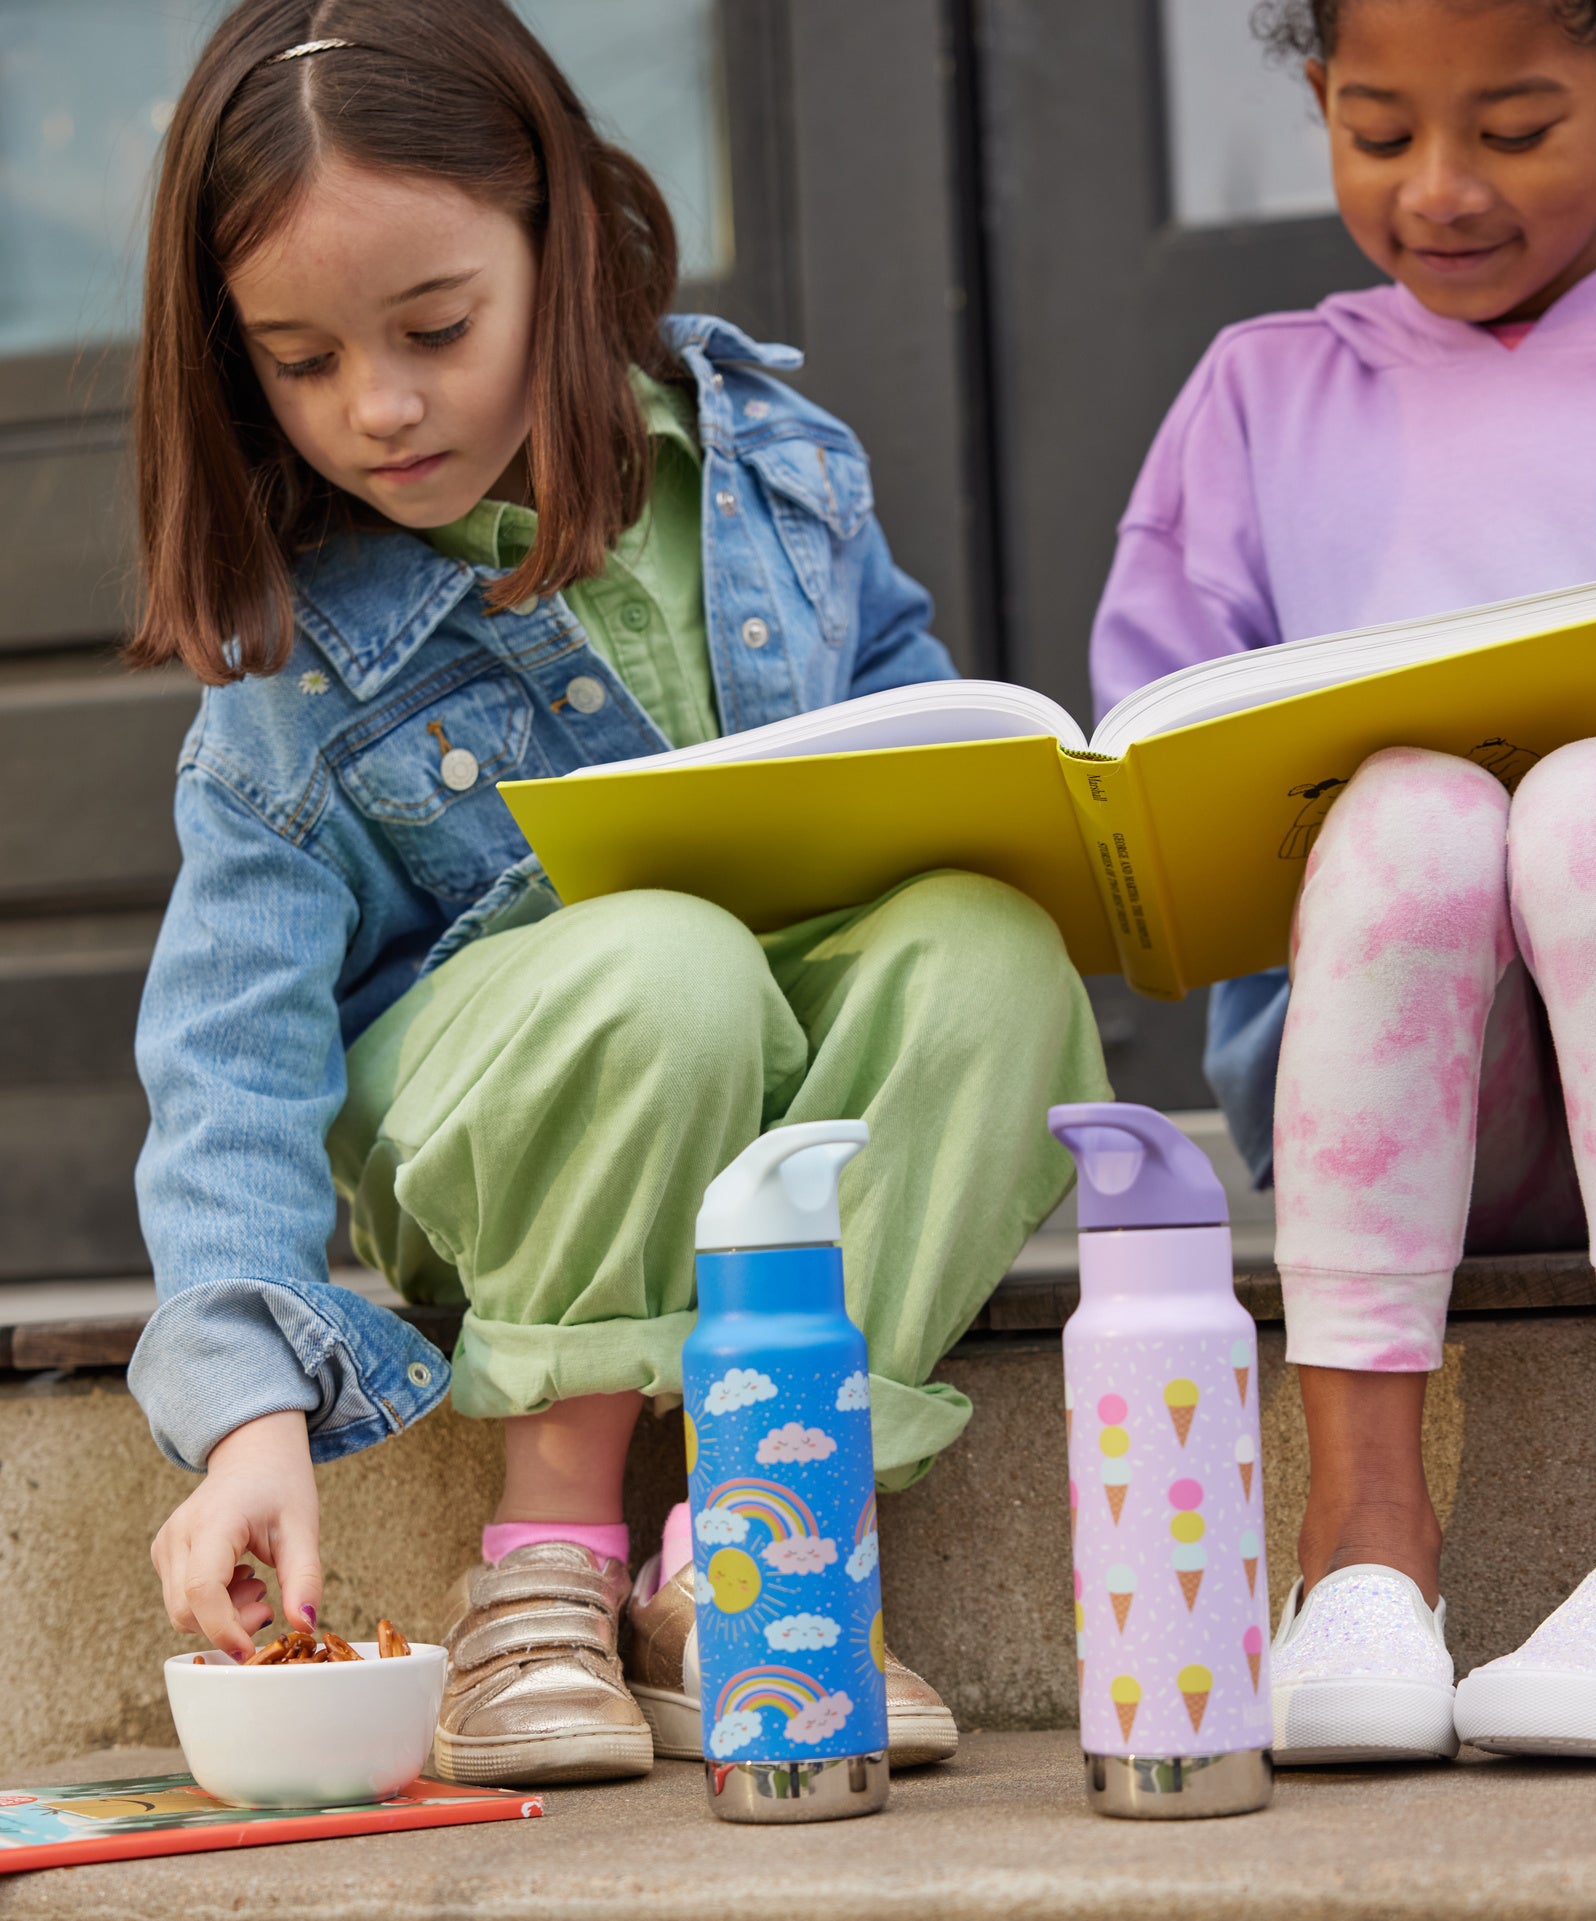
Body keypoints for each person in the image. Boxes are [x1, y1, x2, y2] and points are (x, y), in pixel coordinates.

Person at [127, 0, 1108, 1788]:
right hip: (509, 1134)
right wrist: (246, 1414)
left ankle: (762, 1532)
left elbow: (916, 727)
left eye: (436, 328)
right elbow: (225, 1062)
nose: (379, 406)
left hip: (778, 1097)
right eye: (299, 359)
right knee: (665, 961)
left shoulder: (775, 468)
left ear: (559, 238)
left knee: (990, 949)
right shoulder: (292, 662)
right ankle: (549, 1553)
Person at [1090, 0, 1596, 1763]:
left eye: (1515, 130)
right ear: (1316, 97)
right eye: (1378, 133)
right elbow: (1159, 784)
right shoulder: (1259, 396)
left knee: (1586, 804)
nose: (1439, 188)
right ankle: (1362, 1539)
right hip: (1392, 1100)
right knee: (1409, 811)